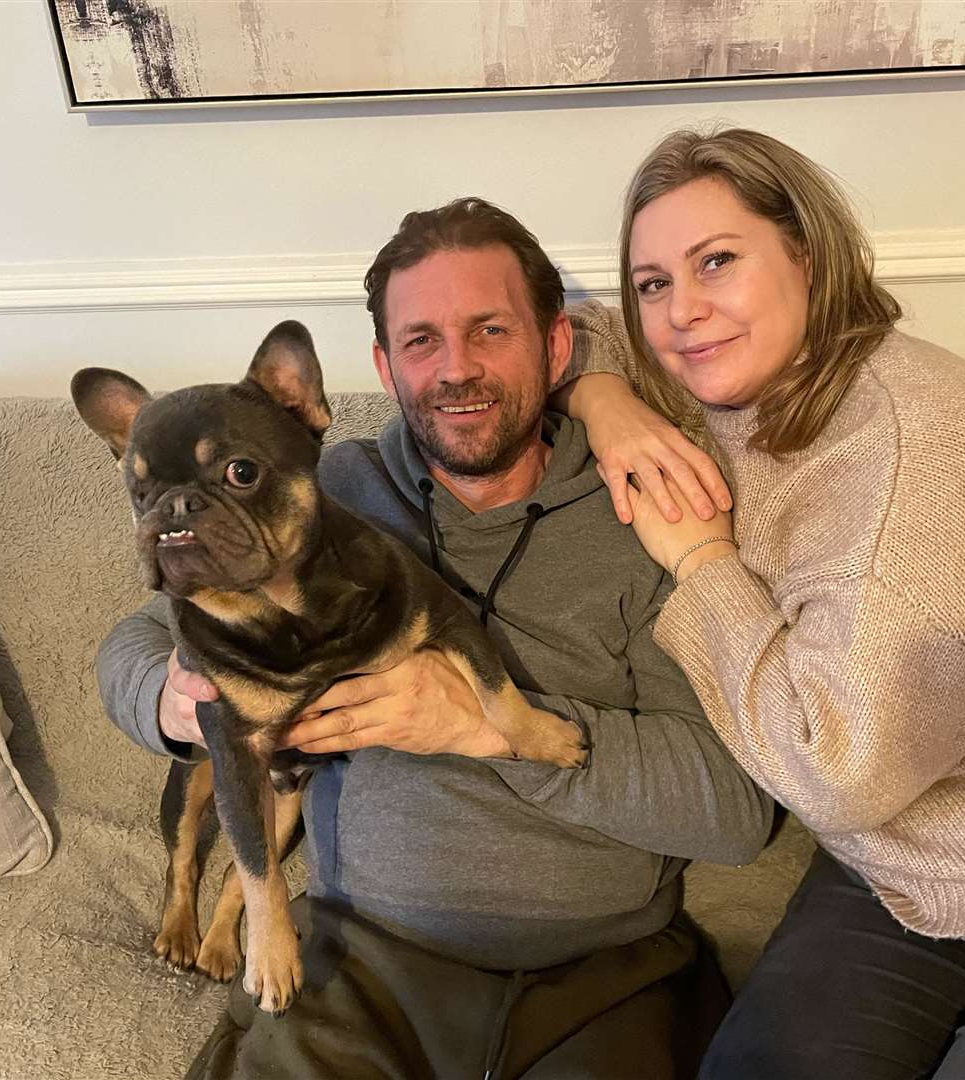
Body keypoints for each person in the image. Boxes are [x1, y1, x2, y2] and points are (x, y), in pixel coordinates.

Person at [554, 126, 965, 1080]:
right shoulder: (725, 381)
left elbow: (838, 769)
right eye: (655, 282)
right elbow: (573, 324)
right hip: (911, 849)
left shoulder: (916, 452)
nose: (682, 311)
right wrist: (607, 403)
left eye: (718, 262)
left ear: (807, 260)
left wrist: (702, 562)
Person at [96, 196, 775, 1080]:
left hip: (604, 974)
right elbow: (134, 644)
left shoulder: (650, 509)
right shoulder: (319, 489)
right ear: (383, 366)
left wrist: (490, 728)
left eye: (490, 330)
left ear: (558, 347)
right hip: (360, 959)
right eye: (421, 341)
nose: (457, 369)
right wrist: (172, 703)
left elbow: (735, 811)